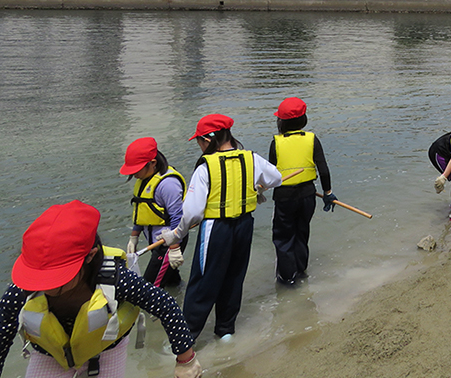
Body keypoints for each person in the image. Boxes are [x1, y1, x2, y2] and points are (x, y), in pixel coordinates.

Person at [0, 200, 202, 378]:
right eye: (38, 276)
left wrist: (186, 360)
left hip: (106, 348)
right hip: (50, 353)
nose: (43, 284)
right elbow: (2, 334)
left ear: (90, 257)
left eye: (55, 277)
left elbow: (165, 305)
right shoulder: (24, 287)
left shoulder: (114, 278)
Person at [160, 114, 282, 341]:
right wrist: (257, 188)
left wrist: (176, 235)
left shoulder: (205, 167)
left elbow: (193, 212)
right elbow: (277, 177)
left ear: (207, 140)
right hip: (245, 225)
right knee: (234, 277)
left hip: (216, 229)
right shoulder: (250, 158)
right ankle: (225, 332)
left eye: (198, 140)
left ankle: (186, 340)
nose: (199, 145)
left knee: (202, 282)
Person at [268, 97, 338, 286]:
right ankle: (301, 271)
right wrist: (328, 192)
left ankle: (287, 279)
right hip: (308, 196)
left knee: (283, 238)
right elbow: (323, 168)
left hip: (284, 198)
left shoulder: (277, 143)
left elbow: (272, 174)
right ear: (303, 119)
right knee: (301, 233)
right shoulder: (311, 139)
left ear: (281, 122)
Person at [120, 137, 188, 288]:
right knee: (171, 282)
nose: (134, 174)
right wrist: (134, 237)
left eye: (136, 169)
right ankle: (179, 298)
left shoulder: (168, 184)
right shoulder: (144, 179)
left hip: (168, 243)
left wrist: (174, 247)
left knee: (149, 289)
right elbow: (141, 210)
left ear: (153, 163)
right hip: (156, 242)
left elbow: (178, 216)